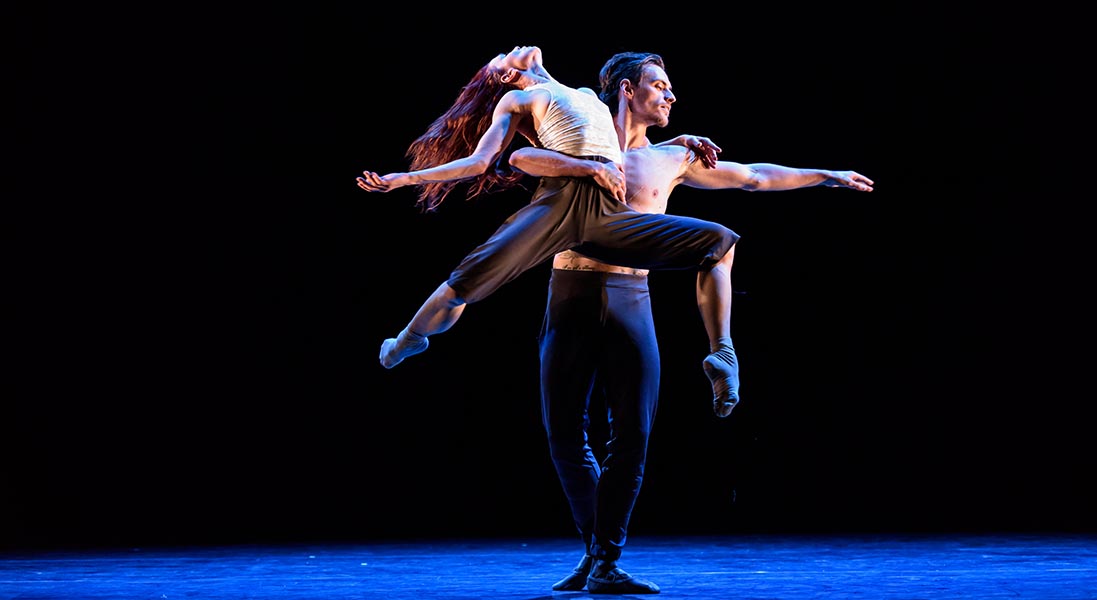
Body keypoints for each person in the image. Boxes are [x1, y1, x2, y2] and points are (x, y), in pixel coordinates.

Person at [507, 51, 874, 593]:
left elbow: (752, 177)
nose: (671, 96)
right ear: (627, 90)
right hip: (571, 292)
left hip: (633, 298)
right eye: (660, 85)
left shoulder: (670, 160)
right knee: (564, 434)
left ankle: (605, 559)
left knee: (631, 435)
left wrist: (825, 175)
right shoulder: (575, 141)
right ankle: (598, 556)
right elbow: (524, 139)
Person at [356, 46, 743, 419]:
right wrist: (405, 178)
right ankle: (409, 339)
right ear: (507, 74)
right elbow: (481, 162)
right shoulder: (519, 101)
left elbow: (628, 135)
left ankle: (722, 353)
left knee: (718, 239)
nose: (514, 47)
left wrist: (680, 140)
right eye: (503, 56)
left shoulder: (587, 95)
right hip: (559, 202)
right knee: (464, 283)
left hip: (607, 208)